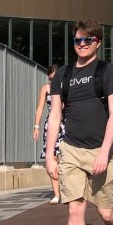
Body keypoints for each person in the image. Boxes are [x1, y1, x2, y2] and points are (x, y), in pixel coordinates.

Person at [46, 19, 113, 225]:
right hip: (71, 149)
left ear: (98, 43)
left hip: (100, 150)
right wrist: (49, 156)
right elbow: (55, 115)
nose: (82, 43)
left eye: (88, 39)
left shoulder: (109, 71)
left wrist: (105, 151)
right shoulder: (62, 75)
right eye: (78, 39)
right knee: (75, 209)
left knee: (106, 213)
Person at [33, 64, 64, 204]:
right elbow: (40, 107)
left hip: (66, 124)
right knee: (51, 158)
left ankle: (67, 190)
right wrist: (36, 126)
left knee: (66, 157)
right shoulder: (46, 89)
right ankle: (57, 194)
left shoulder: (66, 87)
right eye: (50, 79)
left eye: (55, 78)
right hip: (51, 124)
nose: (53, 81)